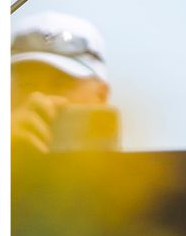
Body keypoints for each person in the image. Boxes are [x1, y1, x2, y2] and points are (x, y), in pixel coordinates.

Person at [10, 12, 117, 154]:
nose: (39, 99)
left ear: (101, 95)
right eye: (26, 85)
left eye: (60, 85)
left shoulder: (135, 174)